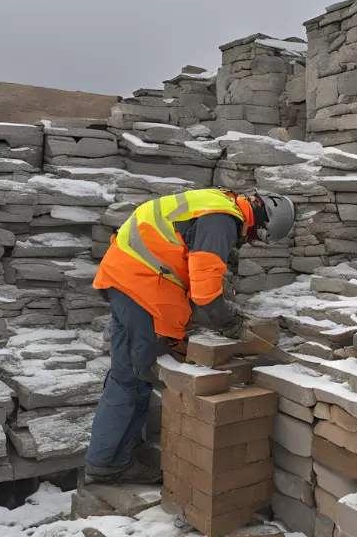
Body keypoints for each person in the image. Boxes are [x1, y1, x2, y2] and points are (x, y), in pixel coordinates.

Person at [84, 188, 296, 484]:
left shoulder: (215, 201)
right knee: (133, 379)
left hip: (125, 279)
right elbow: (205, 294)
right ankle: (108, 463)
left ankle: (117, 454)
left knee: (127, 375)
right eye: (253, 237)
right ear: (262, 224)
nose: (248, 241)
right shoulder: (222, 218)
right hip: (143, 287)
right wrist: (229, 322)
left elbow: (198, 262)